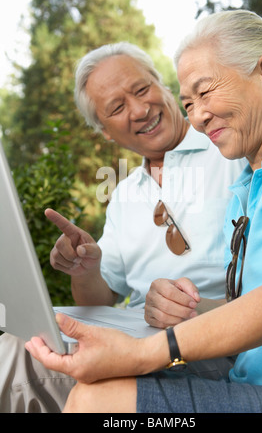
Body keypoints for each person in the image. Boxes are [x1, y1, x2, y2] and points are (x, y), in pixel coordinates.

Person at [25, 9, 262, 413]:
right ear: (104, 129)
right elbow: (254, 298)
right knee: (25, 355)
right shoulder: (251, 179)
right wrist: (173, 310)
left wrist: (149, 352)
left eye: (204, 93)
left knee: (95, 397)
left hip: (250, 368)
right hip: (236, 361)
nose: (200, 116)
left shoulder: (239, 152)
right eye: (191, 102)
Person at [0, 42, 244, 413]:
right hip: (131, 338)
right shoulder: (124, 193)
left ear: (162, 84)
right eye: (117, 107)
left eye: (142, 89)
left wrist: (195, 311)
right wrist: (86, 269)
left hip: (207, 345)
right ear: (105, 132)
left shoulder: (232, 150)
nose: (140, 109)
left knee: (10, 361)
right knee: (16, 342)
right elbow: (99, 300)